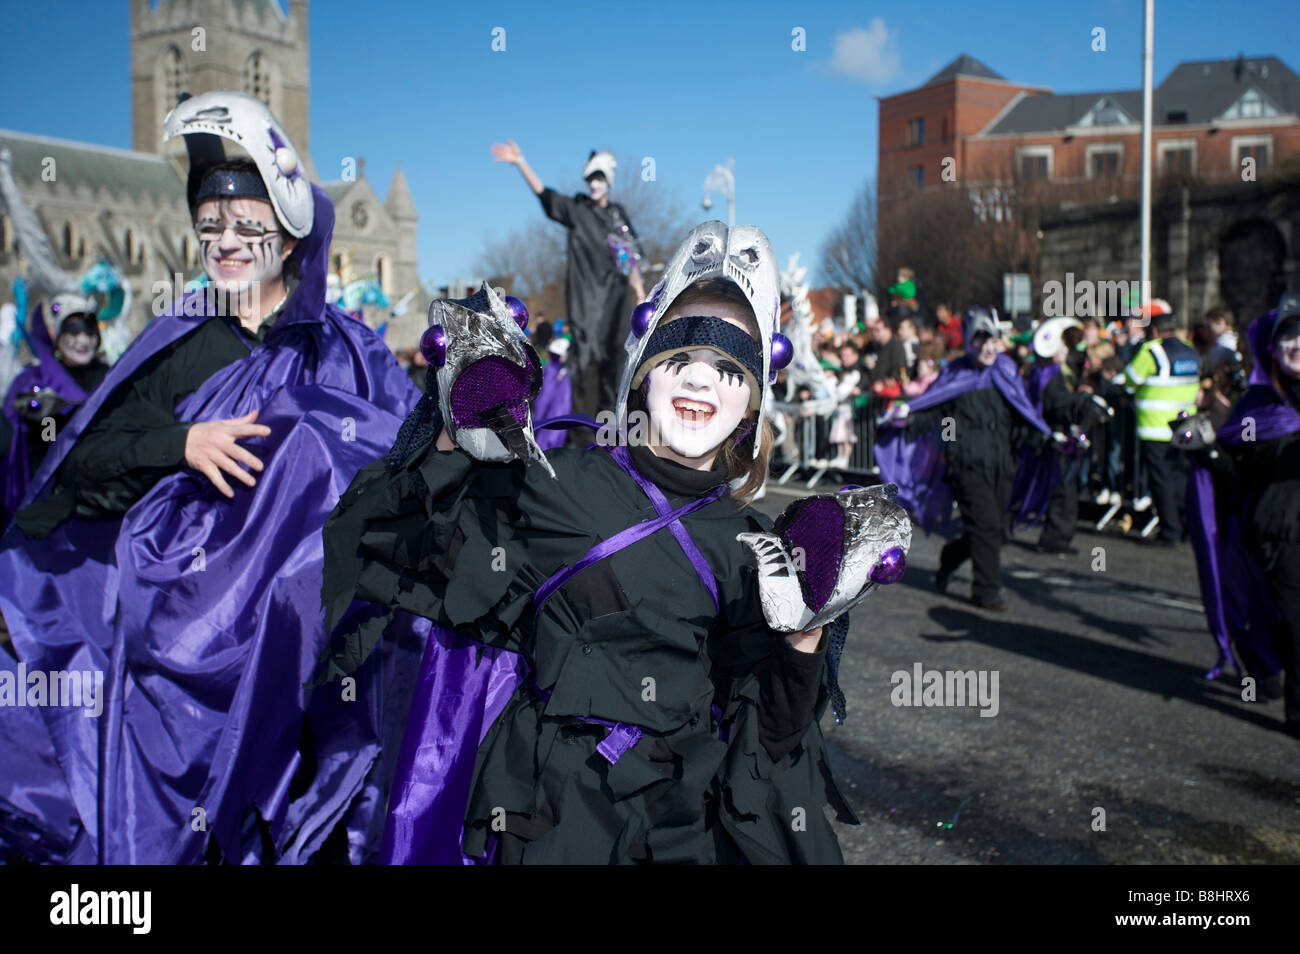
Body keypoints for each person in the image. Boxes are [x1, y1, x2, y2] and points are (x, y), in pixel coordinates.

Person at [314, 222, 913, 864]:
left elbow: (768, 742)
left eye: (729, 370)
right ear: (642, 375)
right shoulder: (558, 481)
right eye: (679, 360)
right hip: (544, 817)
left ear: (752, 407)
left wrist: (805, 631)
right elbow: (397, 546)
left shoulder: (753, 546)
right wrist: (458, 432)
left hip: (682, 831)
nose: (699, 382)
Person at [0, 90, 421, 864]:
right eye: (211, 228)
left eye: (247, 227)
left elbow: (417, 459)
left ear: (289, 239)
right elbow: (83, 464)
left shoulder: (352, 351)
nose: (225, 242)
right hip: (187, 668)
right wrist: (179, 442)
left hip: (314, 661)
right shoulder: (177, 344)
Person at [876, 307, 1054, 611]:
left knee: (993, 528)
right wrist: (908, 416)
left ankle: (951, 557)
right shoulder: (956, 374)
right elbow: (933, 408)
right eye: (981, 339)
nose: (988, 347)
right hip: (965, 466)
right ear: (970, 341)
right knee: (985, 526)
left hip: (1002, 466)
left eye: (993, 340)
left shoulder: (1006, 372)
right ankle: (986, 591)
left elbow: (1024, 414)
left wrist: (1047, 436)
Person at [1180, 294, 1300, 739]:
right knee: (1280, 618)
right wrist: (1206, 450)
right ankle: (1281, 691)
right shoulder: (1257, 408)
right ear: (1273, 347)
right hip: (1274, 535)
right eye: (1288, 335)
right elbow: (1235, 475)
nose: (1297, 344)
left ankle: (1276, 682)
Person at [491, 141, 645, 421]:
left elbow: (630, 259)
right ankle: (583, 431)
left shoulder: (616, 215)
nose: (594, 185)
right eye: (590, 179)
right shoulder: (578, 210)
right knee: (585, 361)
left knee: (618, 359)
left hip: (616, 299)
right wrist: (521, 162)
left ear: (608, 182)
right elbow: (545, 195)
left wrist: (640, 292)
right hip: (587, 301)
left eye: (599, 179)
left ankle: (613, 431)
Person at [2, 294, 109, 525]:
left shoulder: (107, 376)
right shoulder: (35, 378)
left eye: (89, 332)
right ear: (59, 337)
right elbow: (43, 439)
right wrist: (46, 418)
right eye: (73, 332)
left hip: (101, 490)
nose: (83, 341)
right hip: (50, 490)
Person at [1118, 301, 1199, 546]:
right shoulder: (1189, 351)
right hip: (1185, 427)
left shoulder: (1152, 351)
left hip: (1156, 428)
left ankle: (1169, 532)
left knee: (1161, 481)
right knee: (1180, 479)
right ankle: (1186, 527)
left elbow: (1130, 381)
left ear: (1153, 331)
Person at [1028, 320, 1111, 555]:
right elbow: (1057, 403)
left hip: (1061, 437)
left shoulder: (1051, 372)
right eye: (1063, 347)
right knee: (1061, 488)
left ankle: (1059, 535)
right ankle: (1055, 537)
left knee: (1065, 487)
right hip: (1056, 437)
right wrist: (1082, 402)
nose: (1066, 352)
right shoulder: (1050, 376)